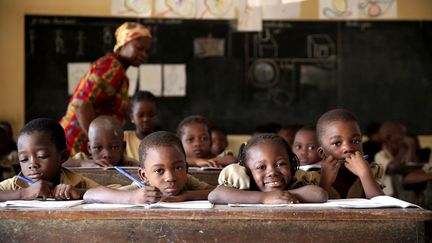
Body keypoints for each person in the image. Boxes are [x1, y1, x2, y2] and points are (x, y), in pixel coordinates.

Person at [60, 22, 152, 156]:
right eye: (139, 48)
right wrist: (98, 147)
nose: (144, 54)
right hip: (76, 145)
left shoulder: (119, 71)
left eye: (147, 51)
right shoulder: (112, 67)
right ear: (124, 43)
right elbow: (82, 107)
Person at [83, 131, 214, 204]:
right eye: (159, 171)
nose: (170, 177)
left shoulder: (187, 180)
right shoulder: (142, 188)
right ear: (144, 175)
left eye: (178, 168)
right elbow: (90, 194)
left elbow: (218, 193)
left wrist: (187, 195)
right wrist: (132, 197)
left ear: (186, 168)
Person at [208, 134, 328, 204]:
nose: (272, 172)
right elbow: (214, 196)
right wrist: (264, 197)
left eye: (280, 164)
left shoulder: (298, 179)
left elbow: (319, 194)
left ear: (291, 164)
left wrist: (279, 195)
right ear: (247, 171)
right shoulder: (242, 182)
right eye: (261, 167)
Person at [0, 118, 99, 201]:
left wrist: (81, 192)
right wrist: (23, 193)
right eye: (24, 159)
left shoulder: (78, 182)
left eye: (41, 156)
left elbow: (114, 191)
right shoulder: (14, 185)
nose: (32, 164)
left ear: (63, 156)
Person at [316, 109, 384, 199]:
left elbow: (381, 205)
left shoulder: (369, 171)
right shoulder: (312, 178)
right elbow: (312, 211)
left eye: (356, 141)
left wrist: (365, 175)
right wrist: (325, 181)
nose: (348, 148)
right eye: (337, 143)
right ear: (322, 152)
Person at [64, 116, 138, 167]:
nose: (107, 154)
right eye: (98, 148)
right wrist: (81, 164)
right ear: (89, 148)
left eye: (114, 147)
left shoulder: (130, 164)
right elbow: (59, 163)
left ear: (123, 147)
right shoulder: (83, 159)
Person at [124, 91, 158, 162]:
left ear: (156, 116)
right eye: (140, 115)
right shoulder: (124, 138)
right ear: (132, 117)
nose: (146, 119)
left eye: (151, 115)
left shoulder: (163, 141)